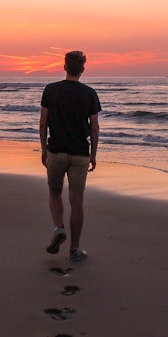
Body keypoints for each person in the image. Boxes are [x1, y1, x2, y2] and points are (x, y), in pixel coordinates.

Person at [39, 50, 101, 262]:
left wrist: (43, 149)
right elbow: (94, 127)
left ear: (64, 67)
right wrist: (93, 154)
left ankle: (58, 228)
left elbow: (43, 122)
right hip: (80, 154)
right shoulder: (89, 93)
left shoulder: (51, 90)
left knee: (55, 192)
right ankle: (74, 249)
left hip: (56, 151)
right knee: (77, 200)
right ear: (82, 69)